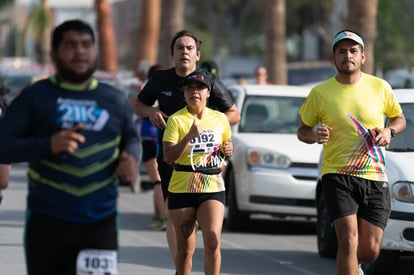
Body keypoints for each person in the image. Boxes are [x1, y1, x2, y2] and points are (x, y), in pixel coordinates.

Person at [0, 19, 140, 275]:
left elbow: (131, 137)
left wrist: (131, 157)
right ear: (54, 54)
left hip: (100, 223)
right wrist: (47, 145)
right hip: (47, 222)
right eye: (71, 45)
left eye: (87, 45)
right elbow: (4, 146)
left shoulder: (115, 100)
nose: (80, 51)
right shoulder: (36, 97)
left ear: (95, 51)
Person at [297, 30, 406, 275]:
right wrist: (314, 136)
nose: (348, 55)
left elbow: (399, 119)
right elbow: (302, 130)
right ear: (333, 59)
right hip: (337, 174)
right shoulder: (320, 93)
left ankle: (353, 267)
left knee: (371, 250)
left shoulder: (380, 87)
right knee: (347, 240)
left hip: (375, 176)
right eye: (342, 51)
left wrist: (390, 132)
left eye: (353, 50)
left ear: (363, 57)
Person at [134, 30, 240, 272]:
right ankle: (180, 266)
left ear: (197, 55)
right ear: (172, 54)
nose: (184, 52)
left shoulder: (209, 82)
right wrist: (150, 112)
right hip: (171, 157)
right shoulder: (160, 79)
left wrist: (212, 124)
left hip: (206, 162)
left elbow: (234, 114)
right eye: (179, 48)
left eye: (189, 48)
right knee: (177, 224)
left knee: (211, 232)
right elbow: (138, 103)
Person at [163, 69, 232, 275]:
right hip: (182, 188)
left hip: (211, 184)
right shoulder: (176, 120)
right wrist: (188, 138)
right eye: (190, 88)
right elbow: (168, 157)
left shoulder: (220, 119)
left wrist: (228, 149)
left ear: (208, 92)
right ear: (184, 93)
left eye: (200, 88)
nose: (195, 92)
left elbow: (226, 147)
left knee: (213, 240)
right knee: (185, 250)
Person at [140, 64, 167, 230]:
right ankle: (158, 217)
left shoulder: (148, 90)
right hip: (154, 135)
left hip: (151, 135)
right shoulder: (160, 89)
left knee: (157, 181)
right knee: (156, 180)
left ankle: (163, 217)